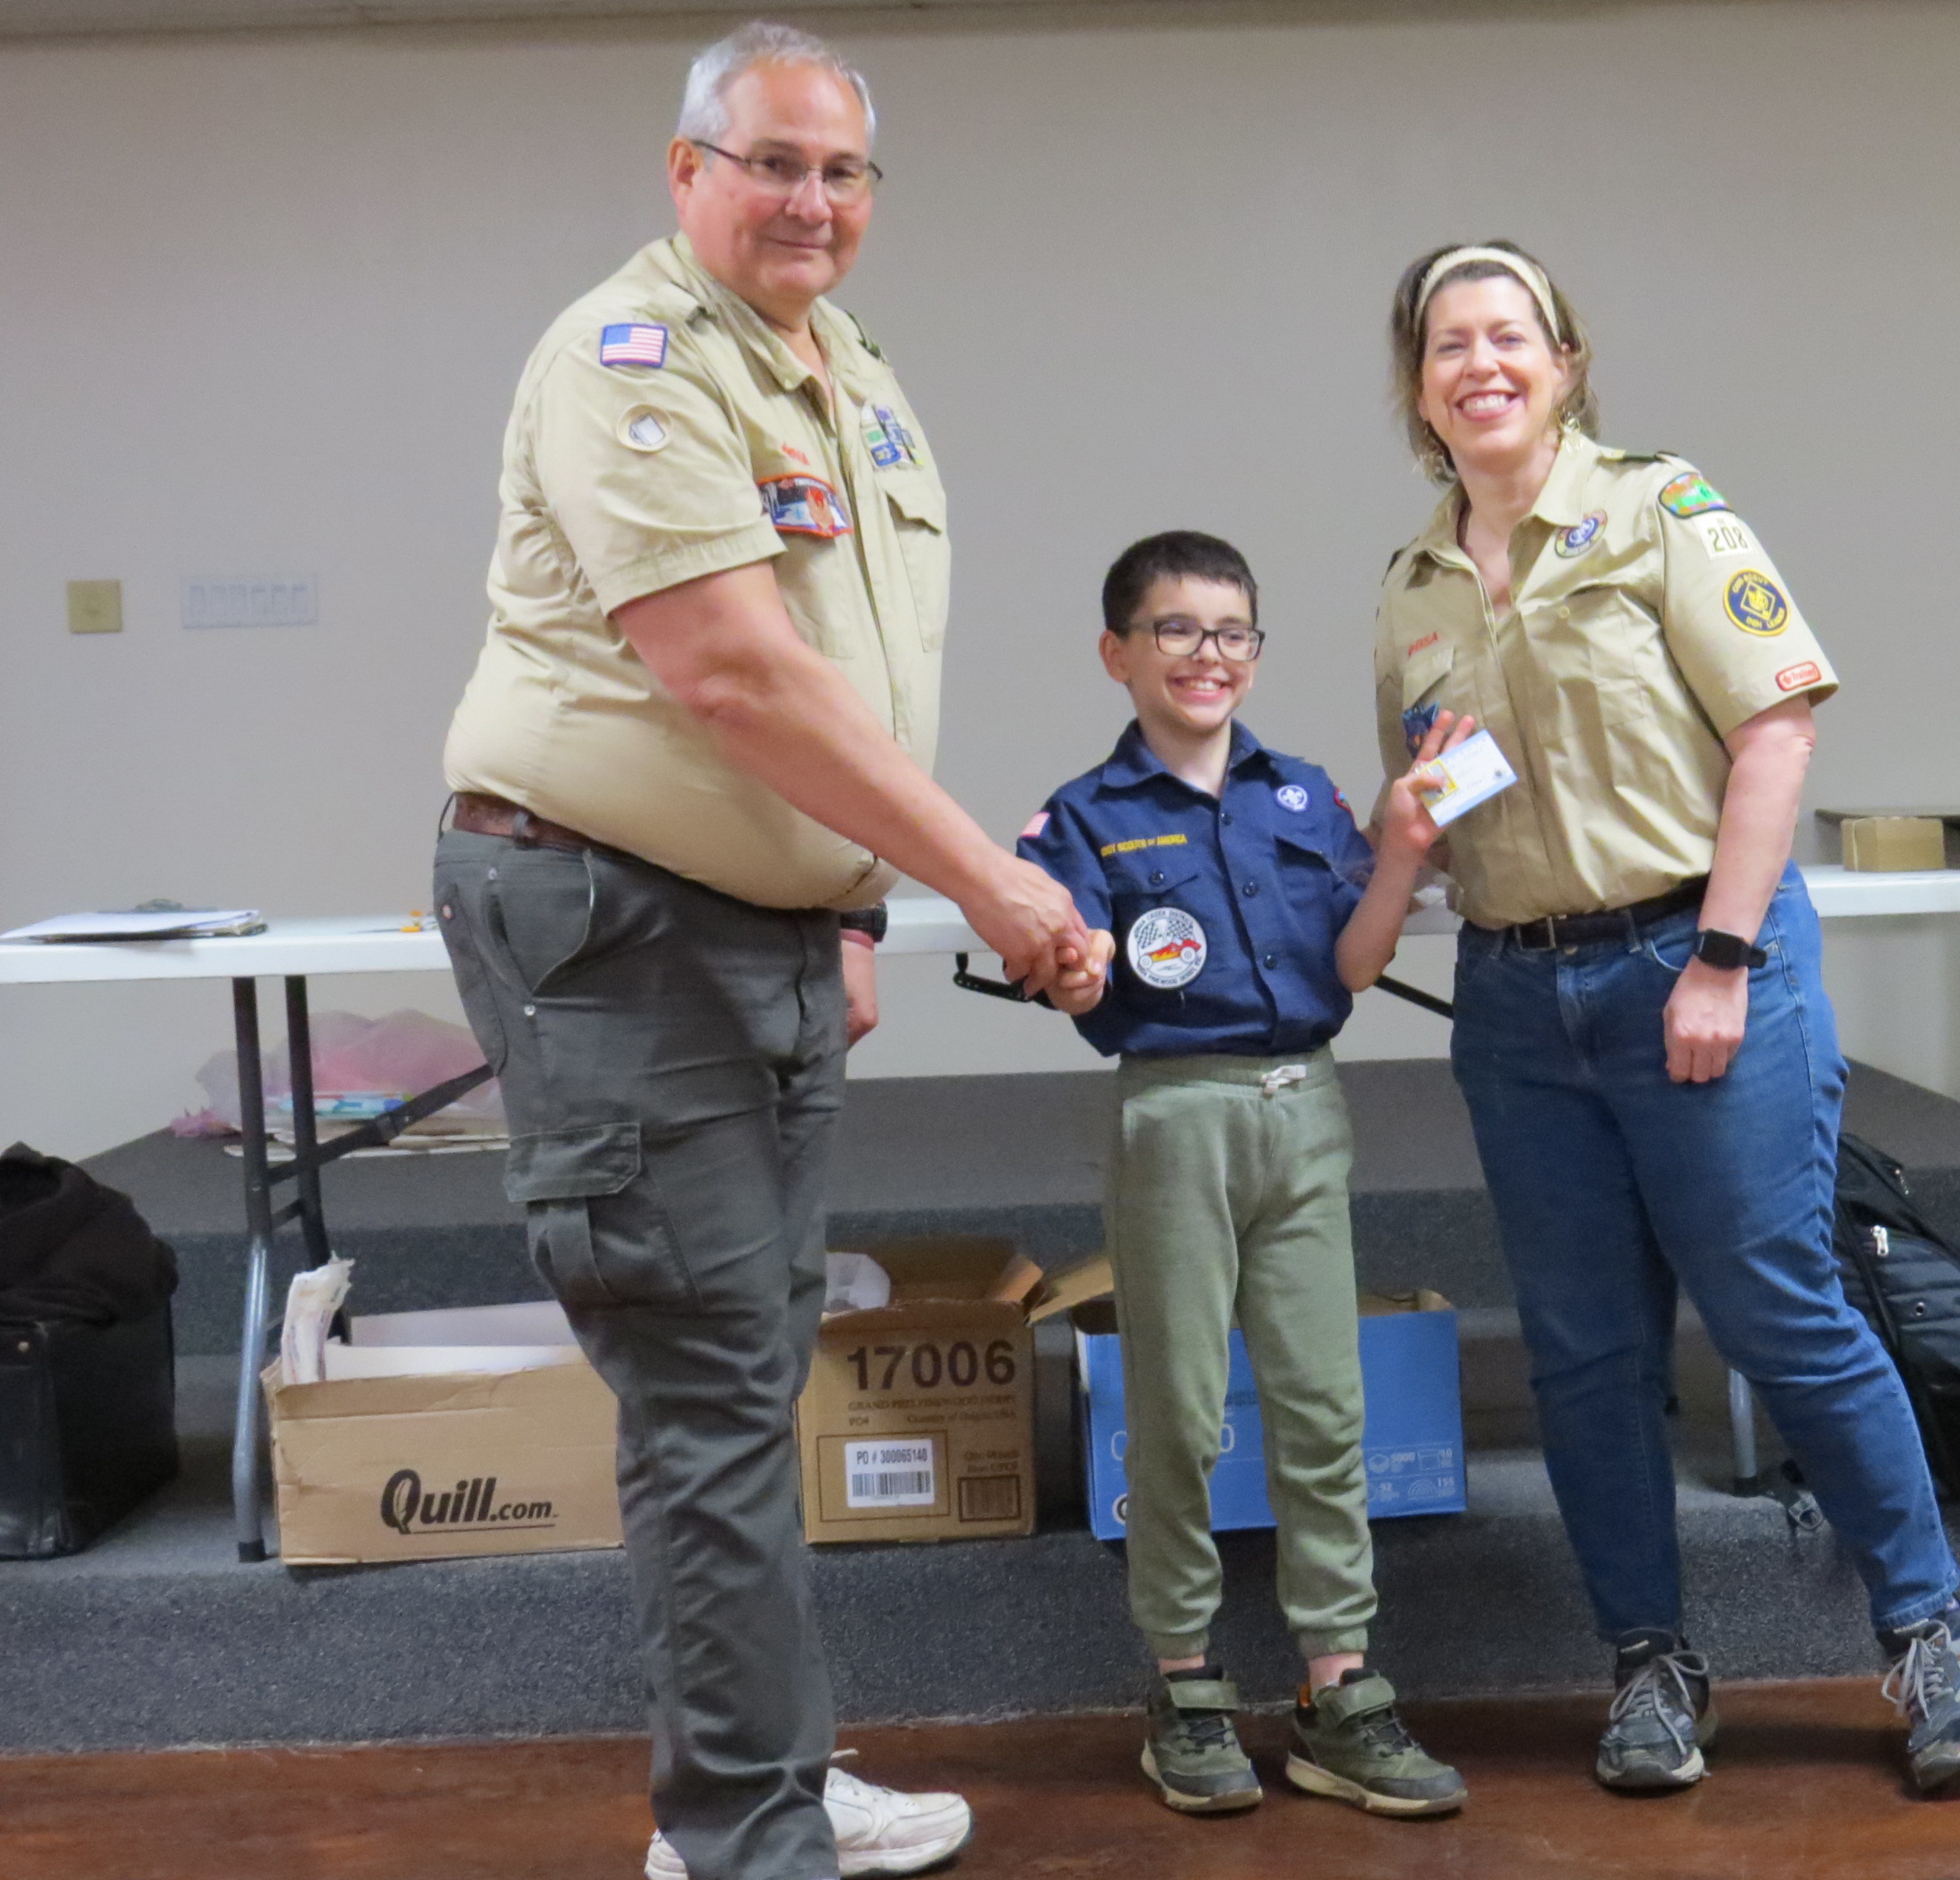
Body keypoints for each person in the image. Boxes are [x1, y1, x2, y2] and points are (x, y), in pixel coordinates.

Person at [433, 24, 1095, 1880]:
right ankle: (742, 1834)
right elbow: (728, 671)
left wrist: (851, 900)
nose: (812, 199)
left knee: (746, 1371)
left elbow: (848, 674)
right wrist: (983, 884)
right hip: (620, 923)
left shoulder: (840, 369)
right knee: (713, 1391)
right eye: (773, 162)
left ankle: (762, 1783)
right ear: (687, 172)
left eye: (842, 170)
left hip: (754, 929)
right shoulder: (628, 360)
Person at [1371, 239, 1960, 1795]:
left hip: (1697, 961)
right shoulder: (1411, 588)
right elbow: (1443, 800)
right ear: (1418, 389)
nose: (1481, 364)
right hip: (1519, 1004)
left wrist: (1721, 959)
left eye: (1510, 335)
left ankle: (1930, 1634)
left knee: (1780, 1310)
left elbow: (1776, 733)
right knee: (1585, 1356)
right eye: (1449, 344)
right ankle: (1651, 1665)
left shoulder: (1662, 508)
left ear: (1566, 363)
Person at [1016, 531, 1470, 1819]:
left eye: (1231, 633)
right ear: (1117, 654)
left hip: (1304, 1108)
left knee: (1324, 1406)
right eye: (1175, 629)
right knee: (1179, 1408)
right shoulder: (1083, 819)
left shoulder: (1304, 799)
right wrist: (1073, 966)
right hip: (1177, 1117)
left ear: (1256, 654)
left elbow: (1357, 965)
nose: (1206, 655)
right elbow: (1066, 976)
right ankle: (1185, 1682)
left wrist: (1402, 848)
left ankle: (1338, 1690)